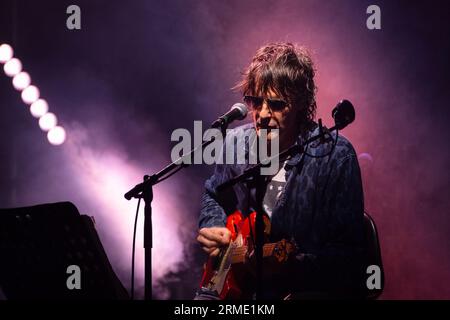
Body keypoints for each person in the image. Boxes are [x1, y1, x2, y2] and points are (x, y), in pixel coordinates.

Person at [195, 42, 366, 299]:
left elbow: (350, 256)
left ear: (300, 103)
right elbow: (213, 194)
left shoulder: (335, 155)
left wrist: (292, 266)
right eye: (255, 101)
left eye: (275, 104)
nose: (262, 114)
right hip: (235, 285)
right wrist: (214, 226)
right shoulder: (234, 142)